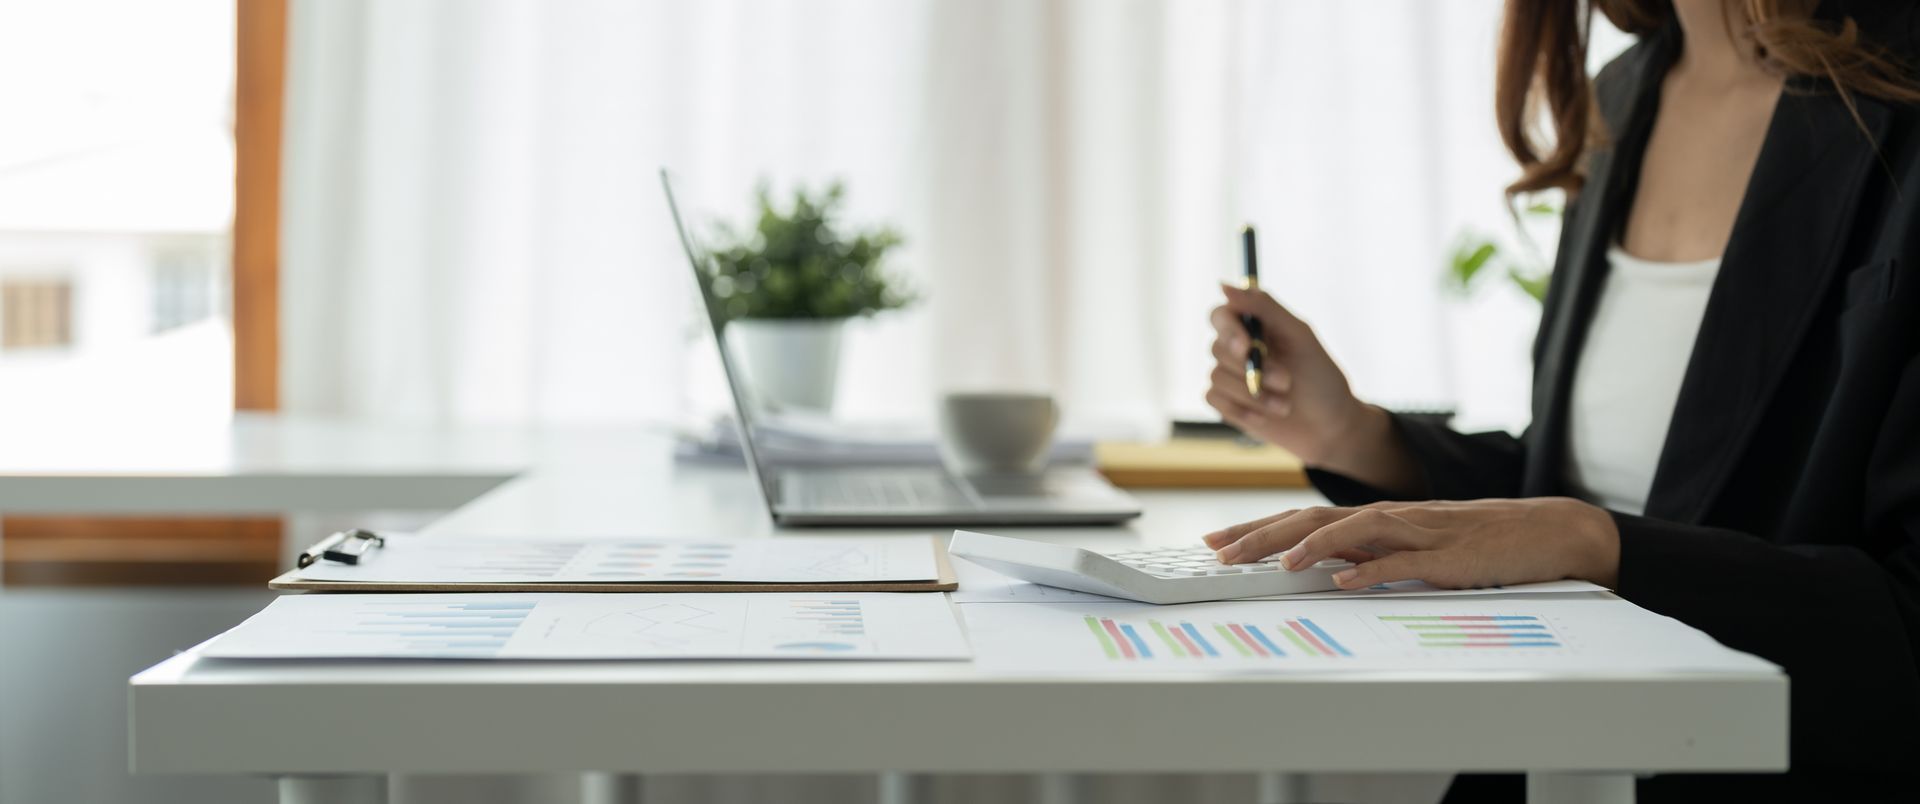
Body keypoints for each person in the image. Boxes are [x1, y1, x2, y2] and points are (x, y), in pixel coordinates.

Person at [1202, 1, 1920, 801]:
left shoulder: (1901, 93)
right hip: (1558, 753)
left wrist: (1602, 545)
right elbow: (1581, 487)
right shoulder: (1623, 95)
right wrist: (1358, 437)